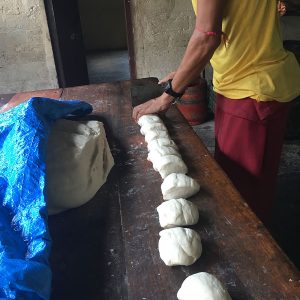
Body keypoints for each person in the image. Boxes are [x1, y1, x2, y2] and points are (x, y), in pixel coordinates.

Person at [132, 0, 300, 224]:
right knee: (260, 184)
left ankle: (249, 249)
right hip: (273, 81)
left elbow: (207, 36)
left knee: (238, 192)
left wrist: (166, 97)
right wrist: (185, 72)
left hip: (247, 92)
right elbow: (241, 24)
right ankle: (260, 240)